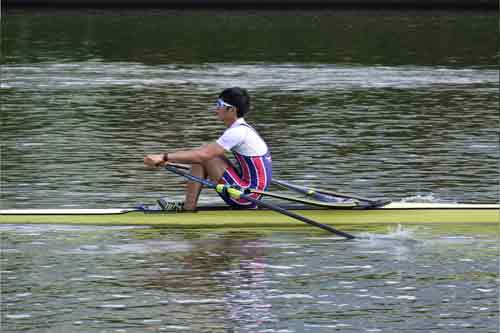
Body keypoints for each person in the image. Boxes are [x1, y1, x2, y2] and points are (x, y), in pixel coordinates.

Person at [144, 87, 272, 211]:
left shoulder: (238, 132)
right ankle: (188, 207)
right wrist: (170, 162)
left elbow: (203, 155)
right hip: (249, 192)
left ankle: (188, 208)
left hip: (247, 197)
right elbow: (202, 155)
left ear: (231, 110)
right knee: (203, 155)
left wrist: (163, 156)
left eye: (219, 104)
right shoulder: (243, 129)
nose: (216, 109)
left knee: (205, 156)